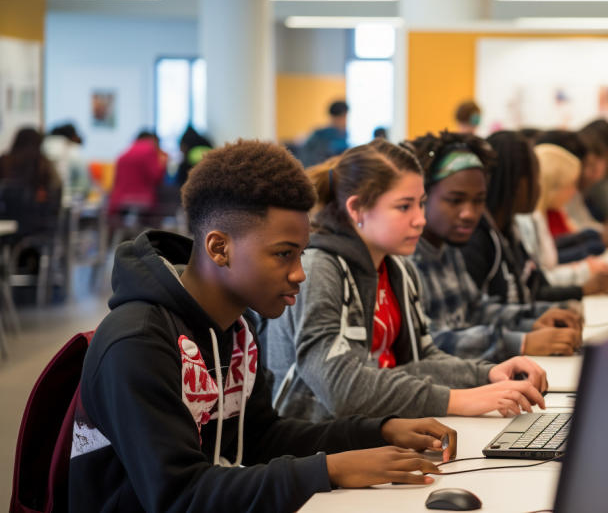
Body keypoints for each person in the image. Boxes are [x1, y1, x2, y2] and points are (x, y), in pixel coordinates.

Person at [69, 140, 457, 511]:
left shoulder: (237, 330)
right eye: (284, 255)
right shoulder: (138, 343)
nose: (300, 274)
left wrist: (379, 431)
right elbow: (179, 496)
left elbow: (259, 437)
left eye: (301, 254)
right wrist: (331, 470)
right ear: (219, 248)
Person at [267, 139, 548, 422]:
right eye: (404, 207)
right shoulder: (319, 270)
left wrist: (486, 373)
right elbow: (341, 389)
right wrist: (458, 399)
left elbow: (421, 359)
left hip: (382, 430)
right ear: (357, 210)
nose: (420, 220)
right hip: (321, 448)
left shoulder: (398, 270)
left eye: (421, 204)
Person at [408, 131, 583, 361]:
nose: (469, 213)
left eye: (479, 200)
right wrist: (521, 342)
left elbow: (476, 310)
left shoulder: (448, 247)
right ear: (423, 196)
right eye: (455, 200)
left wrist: (536, 318)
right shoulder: (406, 259)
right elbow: (429, 343)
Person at [462, 130, 608, 304]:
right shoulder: (478, 240)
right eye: (534, 178)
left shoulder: (509, 230)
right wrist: (582, 288)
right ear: (515, 181)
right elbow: (493, 315)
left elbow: (534, 285)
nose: (539, 189)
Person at [515, 142, 608, 296]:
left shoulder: (545, 215)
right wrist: (583, 272)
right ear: (553, 186)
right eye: (571, 184)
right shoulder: (528, 221)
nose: (574, 191)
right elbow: (539, 277)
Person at [535, 130, 608, 248]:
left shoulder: (557, 208)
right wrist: (602, 240)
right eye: (589, 165)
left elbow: (578, 228)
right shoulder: (540, 214)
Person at [0, 127, 62, 236]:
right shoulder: (44, 164)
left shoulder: (5, 161)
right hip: (38, 224)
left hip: (6, 220)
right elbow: (56, 193)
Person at [107, 130, 169, 221]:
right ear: (153, 140)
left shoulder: (125, 153)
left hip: (118, 201)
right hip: (141, 200)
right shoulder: (149, 149)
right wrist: (163, 163)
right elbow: (156, 177)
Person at [43, 122, 88, 205]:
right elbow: (84, 184)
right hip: (66, 203)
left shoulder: (42, 147)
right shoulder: (73, 151)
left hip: (41, 203)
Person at [301, 100, 350, 168]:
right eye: (343, 117)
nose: (345, 121)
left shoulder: (344, 134)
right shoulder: (320, 135)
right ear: (335, 117)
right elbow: (310, 158)